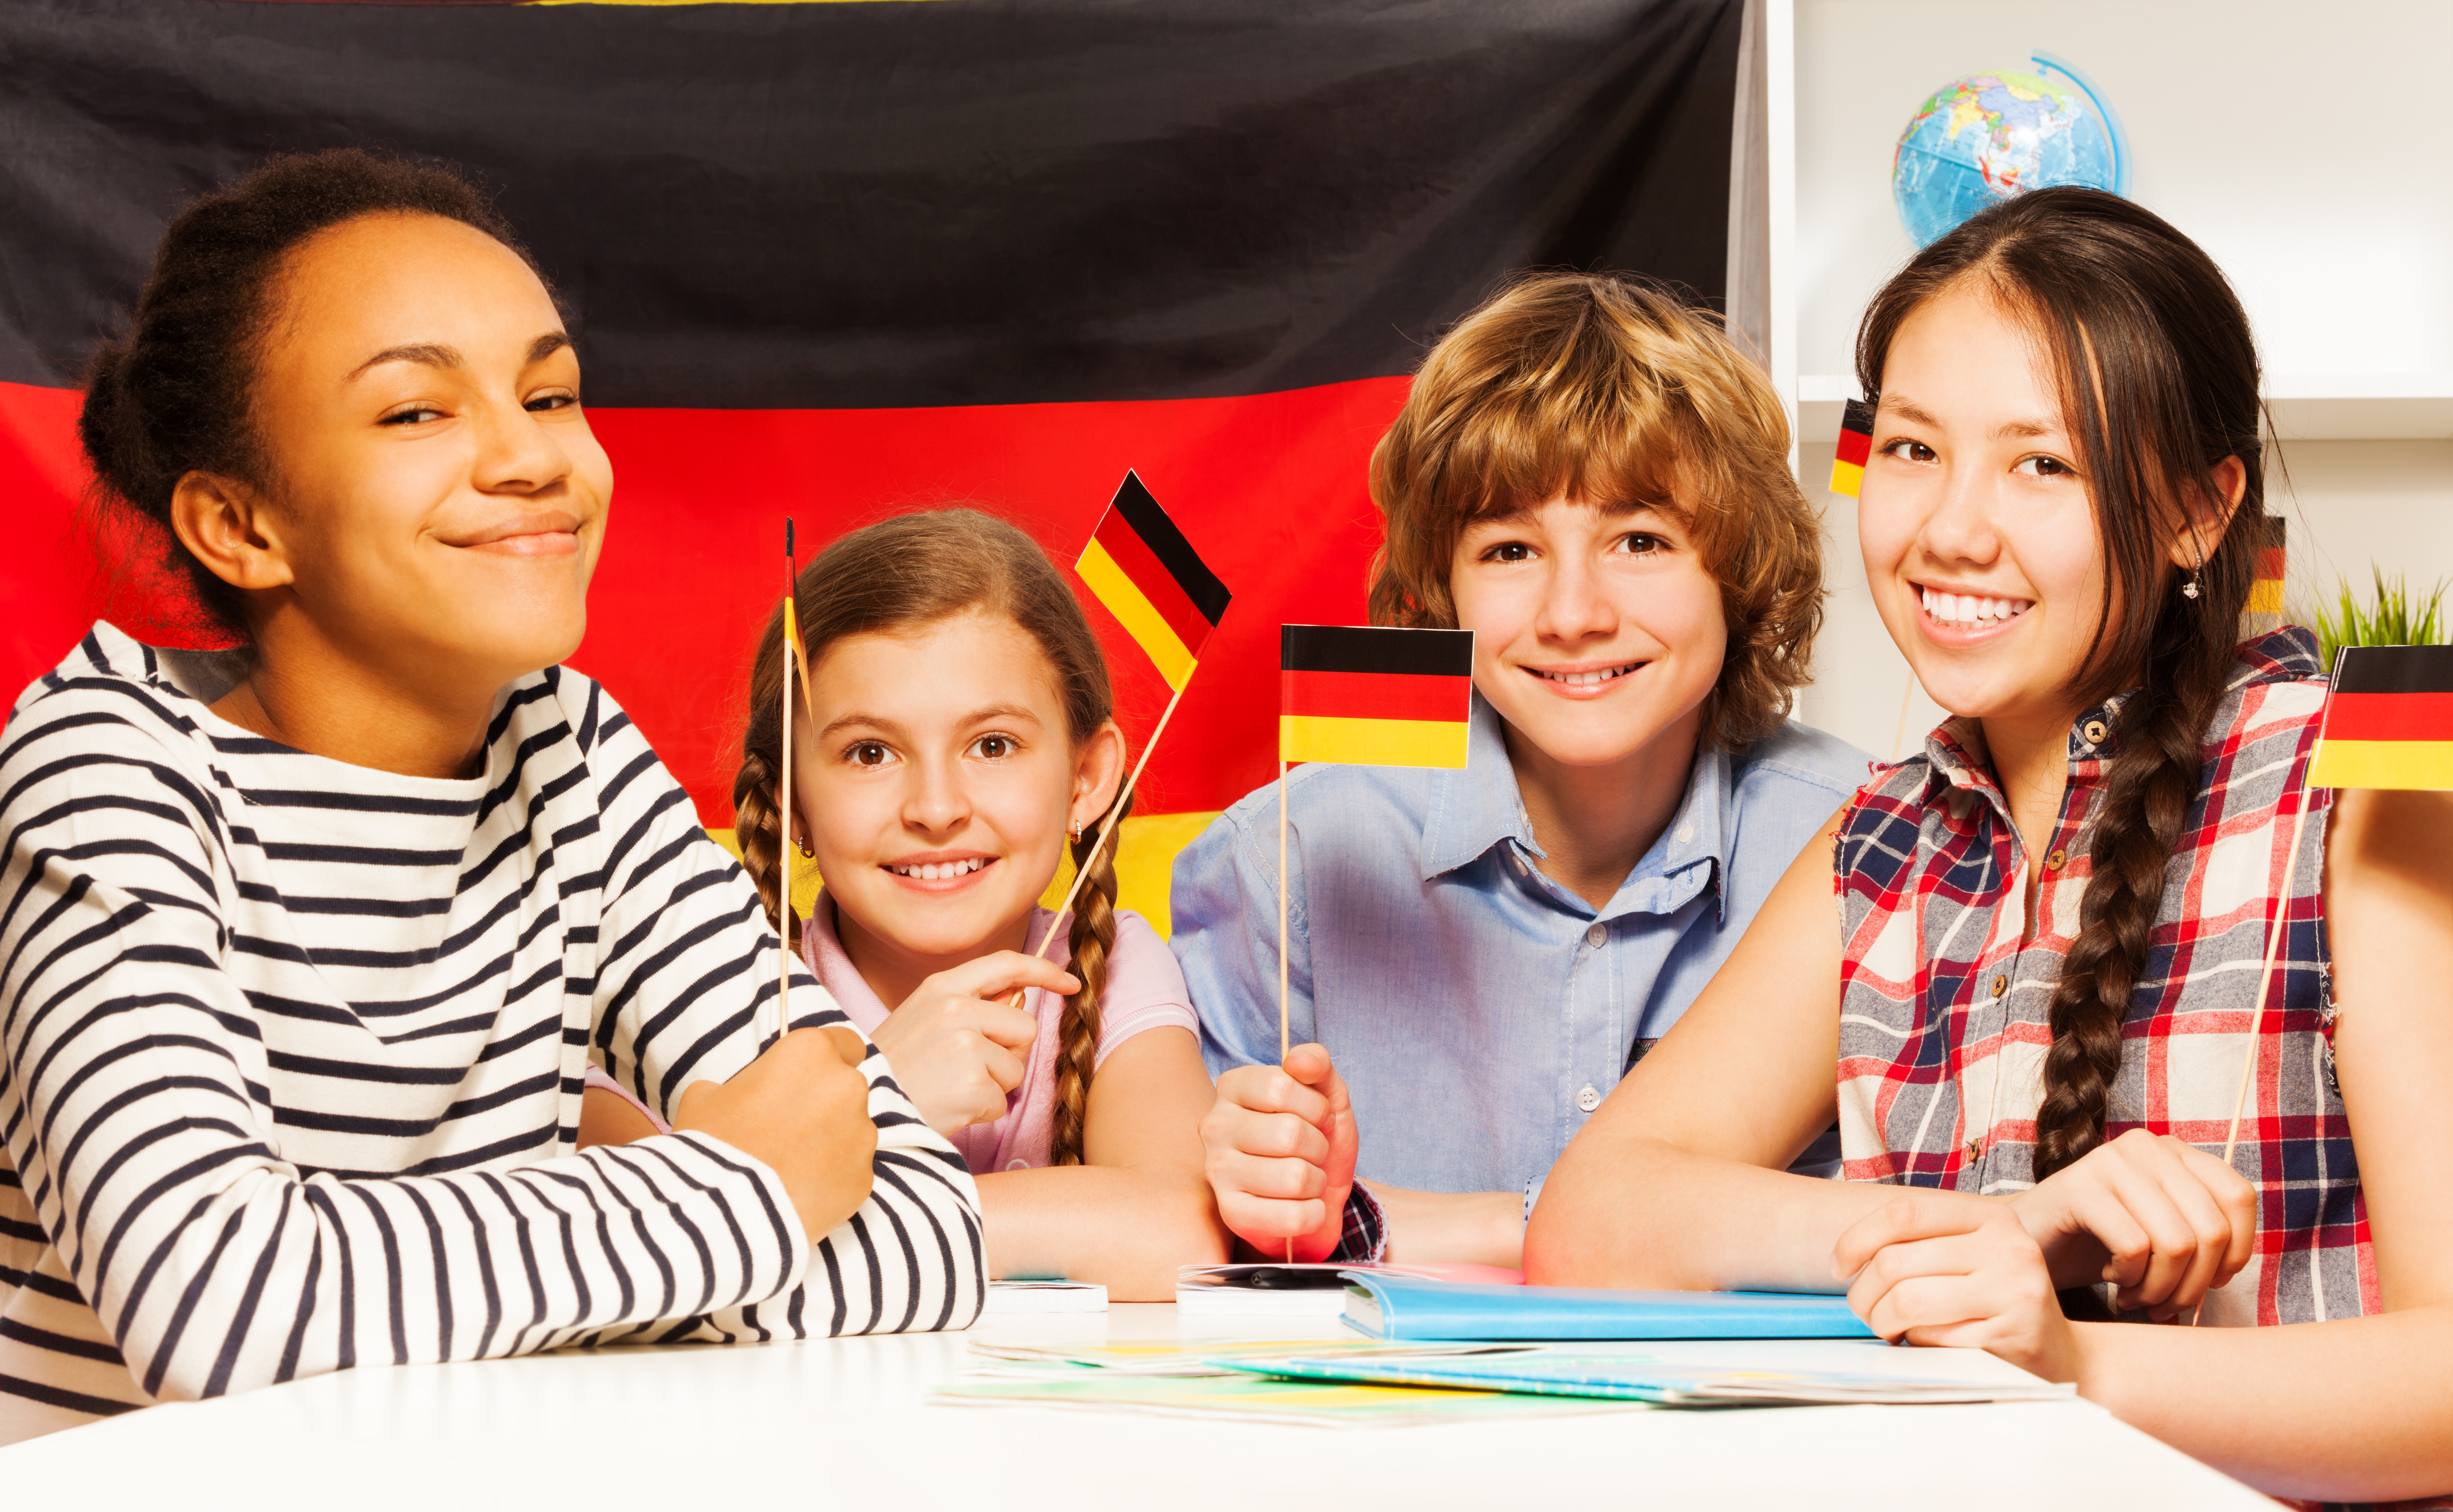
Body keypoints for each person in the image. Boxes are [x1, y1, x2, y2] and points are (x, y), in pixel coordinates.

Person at [0, 151, 981, 1446]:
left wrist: (482, 1262)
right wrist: (741, 1191)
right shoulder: (105, 759)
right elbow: (212, 1298)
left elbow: (926, 1230)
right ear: (241, 525)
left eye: (552, 392)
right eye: (418, 412)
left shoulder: (576, 758)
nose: (533, 456)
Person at [1527, 187, 2453, 1505]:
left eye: (2044, 463)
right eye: (1911, 449)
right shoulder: (1884, 837)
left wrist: (2066, 1356)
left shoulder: (2358, 786)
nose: (1952, 528)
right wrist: (1996, 1236)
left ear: (2200, 511)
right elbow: (1593, 1218)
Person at [1174, 273, 1872, 1268]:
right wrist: (1251, 1186)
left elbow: (1913, 1230)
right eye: (1509, 550)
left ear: (1739, 567)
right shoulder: (1284, 859)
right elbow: (1213, 1261)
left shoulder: (1875, 846)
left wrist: (1415, 1225)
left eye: (1639, 540)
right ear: (1439, 589)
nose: (1571, 613)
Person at [581, 510, 1228, 1297]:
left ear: (1087, 781)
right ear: (791, 801)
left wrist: (796, 1217)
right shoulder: (689, 988)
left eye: (992, 744)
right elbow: (626, 1247)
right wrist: (885, 1092)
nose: (935, 806)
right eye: (870, 752)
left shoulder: (1116, 965)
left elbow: (1184, 1231)